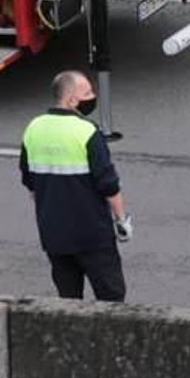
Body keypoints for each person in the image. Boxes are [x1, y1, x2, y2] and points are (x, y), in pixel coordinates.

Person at [19, 71, 131, 301]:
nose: (92, 96)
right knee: (112, 300)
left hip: (54, 236)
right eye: (87, 93)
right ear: (71, 100)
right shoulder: (87, 132)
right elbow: (109, 185)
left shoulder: (34, 128)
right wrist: (122, 221)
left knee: (68, 301)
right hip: (92, 236)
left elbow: (30, 183)